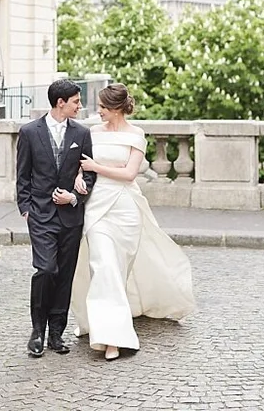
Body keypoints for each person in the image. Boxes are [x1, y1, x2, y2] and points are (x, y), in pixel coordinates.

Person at [69, 84, 195, 360]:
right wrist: (80, 175)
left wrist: (96, 168)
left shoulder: (136, 135)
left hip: (125, 209)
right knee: (103, 268)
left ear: (115, 108)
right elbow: (80, 165)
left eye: (102, 107)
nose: (97, 111)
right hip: (96, 208)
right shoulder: (92, 133)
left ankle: (105, 322)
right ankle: (112, 338)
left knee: (118, 270)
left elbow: (129, 174)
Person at [16, 79, 96, 357]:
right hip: (40, 214)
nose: (80, 106)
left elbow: (89, 173)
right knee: (46, 270)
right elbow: (22, 175)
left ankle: (56, 334)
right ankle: (37, 331)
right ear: (60, 103)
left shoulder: (82, 133)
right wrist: (26, 208)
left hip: (71, 216)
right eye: (76, 101)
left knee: (65, 275)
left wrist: (75, 197)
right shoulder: (29, 132)